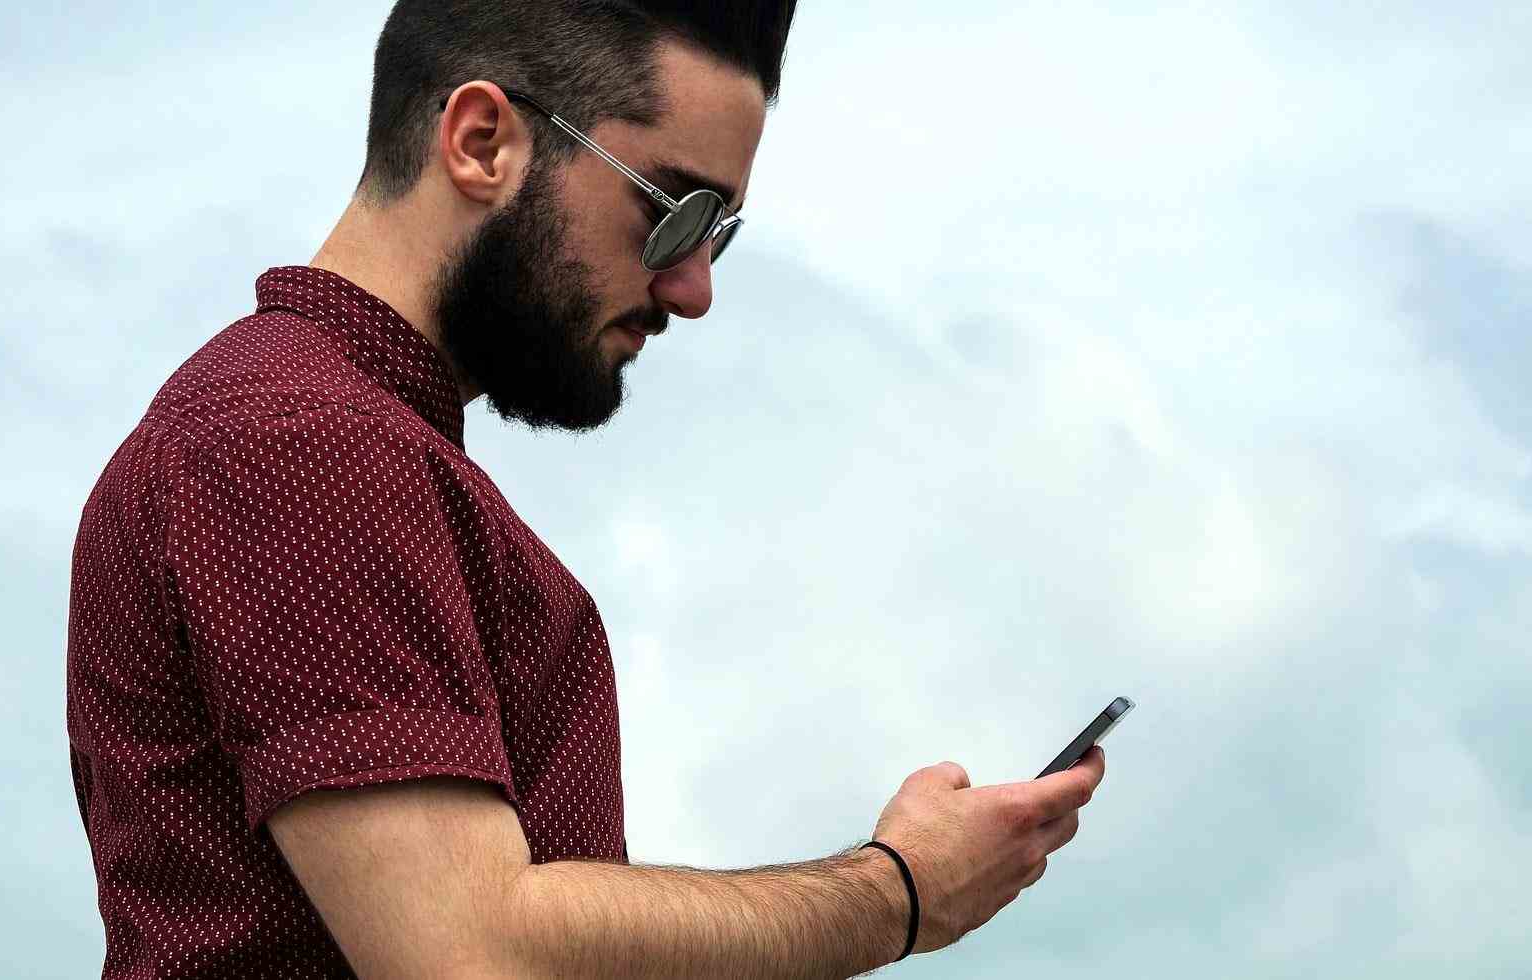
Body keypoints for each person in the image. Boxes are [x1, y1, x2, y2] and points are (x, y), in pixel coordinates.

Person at [65, 2, 1105, 976]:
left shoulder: (317, 435)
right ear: (482, 143)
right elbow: (470, 952)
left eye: (718, 233)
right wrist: (897, 892)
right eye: (676, 210)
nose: (693, 288)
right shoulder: (302, 441)